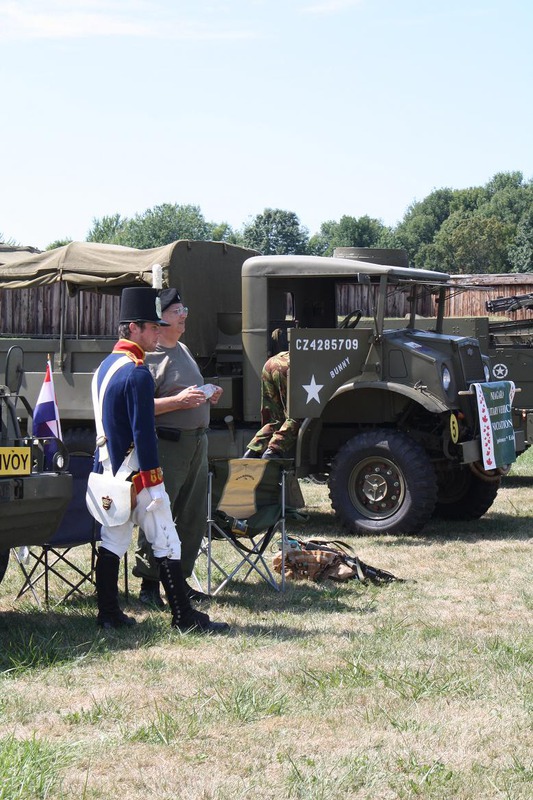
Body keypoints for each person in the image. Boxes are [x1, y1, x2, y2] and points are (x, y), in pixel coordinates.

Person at [90, 286, 228, 634]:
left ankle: (107, 613)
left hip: (108, 469)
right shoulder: (136, 372)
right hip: (137, 471)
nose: (156, 333)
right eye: (151, 327)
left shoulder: (107, 365)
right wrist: (153, 480)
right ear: (133, 328)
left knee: (112, 541)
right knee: (167, 540)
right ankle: (183, 616)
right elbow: (142, 430)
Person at [133, 287, 224, 609]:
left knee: (191, 515)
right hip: (167, 446)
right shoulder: (148, 357)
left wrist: (206, 395)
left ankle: (179, 582)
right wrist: (179, 401)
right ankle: (149, 585)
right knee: (159, 514)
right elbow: (140, 406)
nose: (184, 315)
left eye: (184, 309)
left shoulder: (182, 348)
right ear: (160, 319)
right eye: (176, 312)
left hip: (196, 442)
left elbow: (185, 392)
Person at [243, 330, 300, 459]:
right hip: (289, 364)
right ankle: (271, 453)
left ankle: (252, 452)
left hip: (272, 362)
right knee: (297, 415)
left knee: (277, 420)